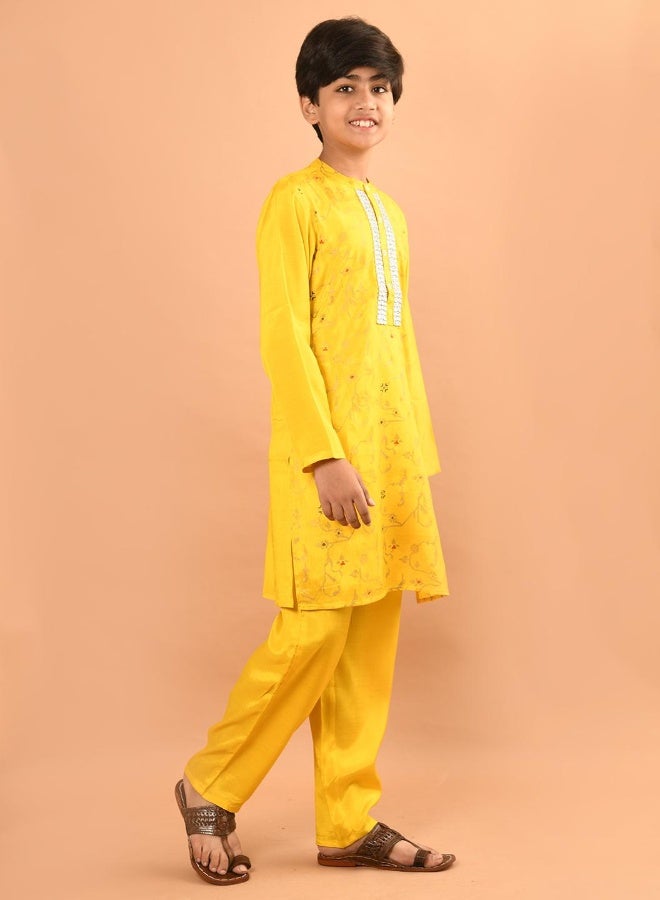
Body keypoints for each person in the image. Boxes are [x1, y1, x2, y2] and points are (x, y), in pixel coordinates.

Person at [174, 16, 455, 885]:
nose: (365, 102)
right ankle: (210, 782)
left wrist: (412, 460)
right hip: (325, 456)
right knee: (315, 631)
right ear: (310, 106)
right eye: (345, 88)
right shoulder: (294, 201)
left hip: (391, 455)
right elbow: (284, 337)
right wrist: (323, 455)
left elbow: (396, 342)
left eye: (379, 88)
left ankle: (347, 819)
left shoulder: (390, 213)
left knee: (367, 645)